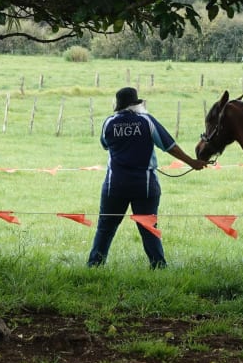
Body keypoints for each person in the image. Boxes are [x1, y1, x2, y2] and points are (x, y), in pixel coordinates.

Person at [87, 87, 207, 269]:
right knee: (149, 228)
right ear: (137, 104)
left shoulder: (109, 123)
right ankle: (158, 265)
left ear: (118, 105)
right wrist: (192, 162)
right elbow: (170, 146)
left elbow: (105, 144)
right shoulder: (146, 121)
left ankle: (94, 265)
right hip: (144, 186)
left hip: (115, 186)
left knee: (105, 227)